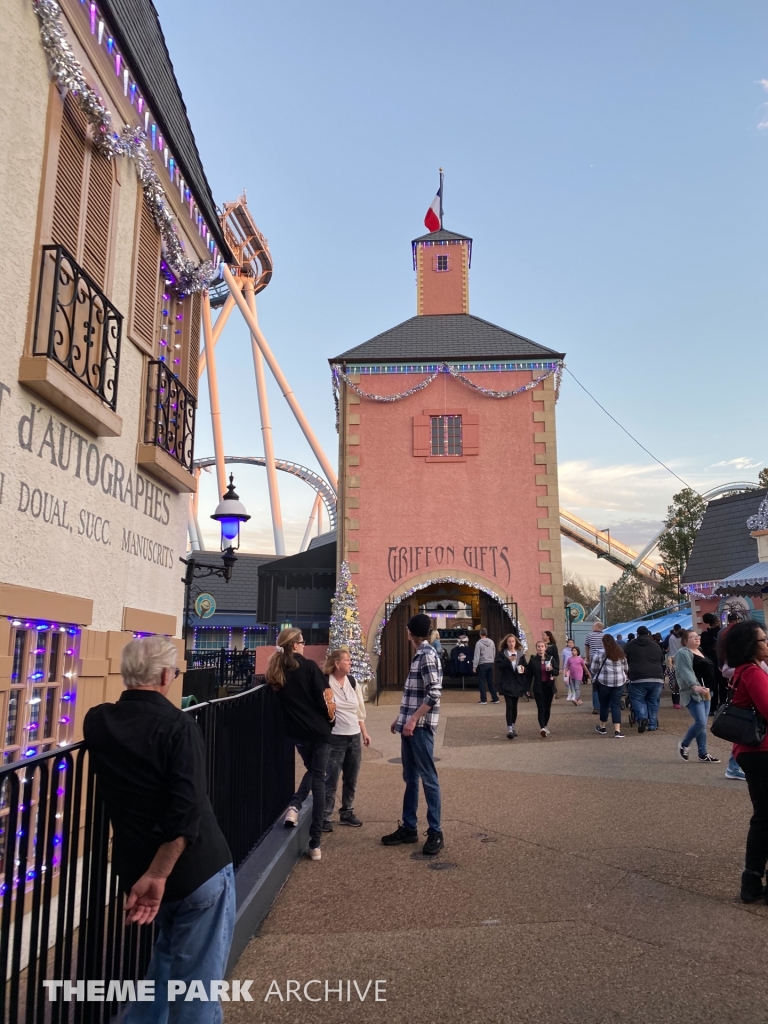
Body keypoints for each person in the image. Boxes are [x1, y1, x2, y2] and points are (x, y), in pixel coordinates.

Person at [83, 637, 234, 1021]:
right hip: (193, 870)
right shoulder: (179, 727)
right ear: (166, 675)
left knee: (164, 967)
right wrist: (158, 873)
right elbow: (186, 812)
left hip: (138, 868)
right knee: (198, 988)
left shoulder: (98, 721)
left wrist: (149, 875)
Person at [267, 628, 333, 861]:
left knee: (315, 771)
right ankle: (315, 842)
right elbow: (326, 697)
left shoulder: (277, 671)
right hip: (319, 731)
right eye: (302, 642)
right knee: (319, 779)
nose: (304, 646)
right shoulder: (309, 667)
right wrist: (330, 720)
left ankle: (294, 807)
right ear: (295, 645)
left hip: (298, 733)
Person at [382, 613, 444, 856]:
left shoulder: (427, 656)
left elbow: (434, 692)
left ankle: (436, 831)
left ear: (411, 633)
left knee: (428, 778)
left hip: (420, 728)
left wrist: (414, 718)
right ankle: (409, 827)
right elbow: (416, 693)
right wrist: (402, 717)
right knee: (411, 777)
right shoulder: (421, 655)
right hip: (410, 726)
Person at [721, 621, 768, 902]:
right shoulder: (753, 672)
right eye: (762, 639)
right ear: (751, 645)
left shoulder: (743, 671)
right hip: (762, 750)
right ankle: (751, 882)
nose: (766, 643)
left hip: (751, 751)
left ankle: (751, 881)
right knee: (764, 817)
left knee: (763, 817)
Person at [323, 648, 371, 832]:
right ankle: (326, 815)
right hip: (336, 736)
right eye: (347, 660)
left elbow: (359, 710)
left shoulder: (352, 681)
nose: (350, 663)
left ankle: (347, 811)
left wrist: (364, 732)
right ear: (337, 664)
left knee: (351, 776)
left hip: (353, 736)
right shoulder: (326, 682)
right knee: (331, 777)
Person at [675, 629, 720, 764]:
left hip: (706, 692)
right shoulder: (683, 653)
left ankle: (703, 753)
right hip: (694, 692)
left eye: (697, 636)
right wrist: (694, 686)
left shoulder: (700, 651)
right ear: (685, 640)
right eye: (693, 637)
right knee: (700, 722)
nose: (697, 638)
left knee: (703, 724)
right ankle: (684, 744)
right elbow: (685, 670)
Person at [625, 626, 665, 733]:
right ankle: (652, 724)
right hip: (656, 677)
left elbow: (625, 658)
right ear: (648, 634)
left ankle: (643, 717)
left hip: (638, 677)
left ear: (637, 634)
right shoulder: (656, 646)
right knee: (653, 701)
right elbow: (662, 659)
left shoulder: (630, 645)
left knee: (637, 699)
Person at [590, 634, 628, 738]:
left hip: (604, 683)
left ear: (603, 643)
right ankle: (617, 731)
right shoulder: (620, 654)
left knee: (604, 705)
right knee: (615, 705)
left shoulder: (598, 654)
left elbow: (593, 669)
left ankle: (602, 727)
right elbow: (626, 668)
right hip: (619, 683)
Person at [495, 633, 528, 738]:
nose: (511, 643)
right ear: (506, 643)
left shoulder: (520, 654)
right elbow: (498, 666)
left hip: (517, 683)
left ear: (516, 642)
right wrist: (507, 660)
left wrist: (523, 669)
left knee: (514, 706)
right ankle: (509, 729)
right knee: (509, 706)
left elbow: (525, 667)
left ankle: (513, 726)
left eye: (513, 641)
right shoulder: (502, 654)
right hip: (507, 683)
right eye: (509, 641)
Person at [526, 640, 558, 737]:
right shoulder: (533, 660)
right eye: (538, 646)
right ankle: (542, 728)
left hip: (548, 686)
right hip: (538, 687)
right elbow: (529, 675)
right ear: (536, 648)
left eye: (542, 646)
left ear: (545, 648)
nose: (540, 648)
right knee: (541, 708)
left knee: (547, 708)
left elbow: (556, 671)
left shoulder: (551, 659)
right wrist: (527, 688)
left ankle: (545, 725)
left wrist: (552, 669)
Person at [700, 612, 723, 714]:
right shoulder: (721, 633)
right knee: (723, 686)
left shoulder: (704, 635)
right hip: (721, 661)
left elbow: (703, 649)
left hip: (709, 663)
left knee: (711, 686)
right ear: (716, 622)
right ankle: (723, 706)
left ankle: (712, 708)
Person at [473, 626, 500, 704]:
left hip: (482, 664)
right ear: (486, 634)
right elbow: (494, 652)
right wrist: (492, 660)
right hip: (490, 663)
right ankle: (495, 698)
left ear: (480, 634)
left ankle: (483, 699)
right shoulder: (491, 642)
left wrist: (474, 666)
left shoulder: (479, 643)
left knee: (482, 682)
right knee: (491, 681)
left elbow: (477, 655)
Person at [584, 621, 605, 714]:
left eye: (593, 626)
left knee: (595, 683)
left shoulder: (589, 636)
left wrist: (587, 659)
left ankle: (596, 707)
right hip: (604, 660)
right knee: (605, 683)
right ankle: (605, 705)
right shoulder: (605, 636)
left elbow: (587, 649)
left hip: (593, 659)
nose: (592, 627)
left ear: (597, 626)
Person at [543, 630, 560, 697]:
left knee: (551, 678)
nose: (543, 636)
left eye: (544, 635)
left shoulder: (553, 646)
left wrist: (556, 667)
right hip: (543, 663)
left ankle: (554, 691)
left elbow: (556, 656)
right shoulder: (543, 644)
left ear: (548, 636)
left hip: (550, 663)